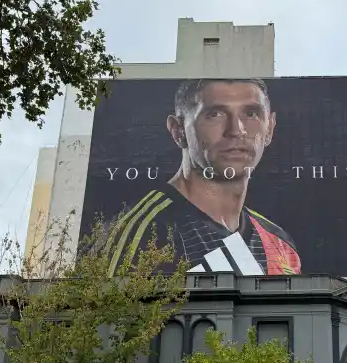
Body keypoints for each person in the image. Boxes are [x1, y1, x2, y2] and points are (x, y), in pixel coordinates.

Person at [106, 78, 301, 276]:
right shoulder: (145, 233)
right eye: (214, 114)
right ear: (177, 130)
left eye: (251, 113)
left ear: (270, 128)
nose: (236, 130)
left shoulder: (279, 244)